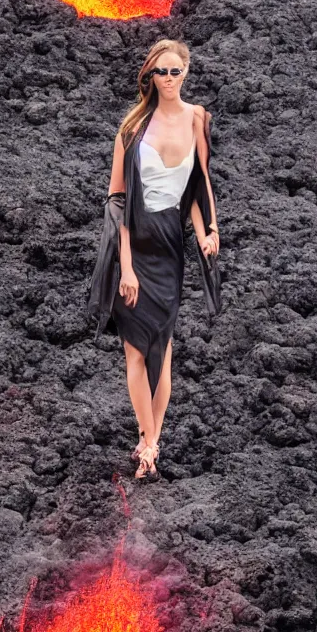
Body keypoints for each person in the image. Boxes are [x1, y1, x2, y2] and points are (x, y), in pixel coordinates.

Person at [88, 39, 222, 482]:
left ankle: (151, 442)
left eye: (175, 71)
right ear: (150, 76)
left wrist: (207, 233)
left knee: (162, 353)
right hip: (135, 244)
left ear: (186, 72)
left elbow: (198, 188)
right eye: (161, 72)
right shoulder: (132, 128)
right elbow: (117, 199)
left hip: (169, 248)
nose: (168, 79)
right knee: (134, 353)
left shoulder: (198, 119)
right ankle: (148, 441)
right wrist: (125, 267)